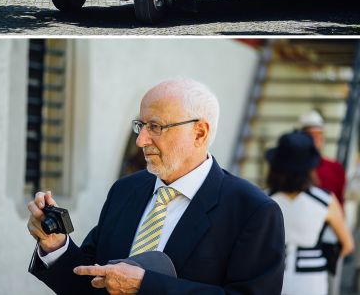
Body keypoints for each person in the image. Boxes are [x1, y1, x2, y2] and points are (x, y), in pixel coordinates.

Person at [27, 78, 285, 294]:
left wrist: (146, 286)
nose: (140, 140)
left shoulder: (253, 211)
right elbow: (89, 283)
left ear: (199, 133)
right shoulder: (125, 191)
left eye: (155, 126)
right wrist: (55, 246)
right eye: (141, 125)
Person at [267, 131, 354, 295]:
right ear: (310, 168)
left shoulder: (263, 199)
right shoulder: (325, 200)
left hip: (270, 276)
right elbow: (347, 245)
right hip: (311, 280)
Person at [300, 110, 347, 206]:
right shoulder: (293, 167)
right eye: (310, 135)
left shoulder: (335, 168)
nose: (316, 139)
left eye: (319, 134)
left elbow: (340, 202)